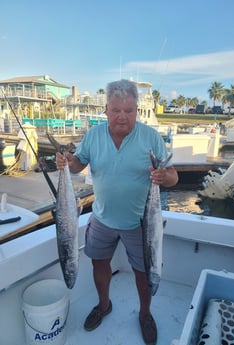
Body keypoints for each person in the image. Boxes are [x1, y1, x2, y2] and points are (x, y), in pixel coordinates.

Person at [56, 79, 178, 345]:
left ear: (136, 110)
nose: (122, 117)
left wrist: (163, 176)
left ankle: (145, 314)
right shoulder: (93, 135)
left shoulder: (150, 137)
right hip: (101, 218)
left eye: (129, 110)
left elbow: (173, 177)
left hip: (140, 222)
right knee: (99, 265)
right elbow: (78, 165)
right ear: (106, 110)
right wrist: (67, 161)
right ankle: (104, 305)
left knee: (143, 272)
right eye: (116, 110)